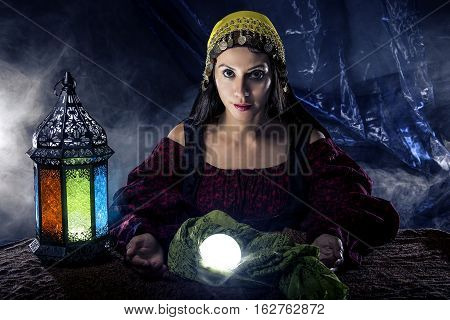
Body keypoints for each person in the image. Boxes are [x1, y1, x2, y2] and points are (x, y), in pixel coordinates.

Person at [109, 10, 399, 279]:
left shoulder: (307, 145)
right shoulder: (185, 142)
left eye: (256, 75)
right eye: (228, 73)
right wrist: (145, 236)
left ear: (277, 78)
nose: (241, 91)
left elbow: (343, 205)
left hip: (281, 284)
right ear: (210, 77)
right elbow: (140, 203)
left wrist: (330, 236)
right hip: (200, 285)